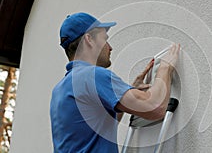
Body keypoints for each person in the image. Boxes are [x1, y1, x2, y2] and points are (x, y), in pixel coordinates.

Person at [50, 12, 180, 153]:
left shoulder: (60, 89)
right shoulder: (92, 75)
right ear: (89, 39)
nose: (110, 47)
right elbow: (155, 107)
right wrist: (164, 68)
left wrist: (127, 92)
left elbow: (98, 128)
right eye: (105, 39)